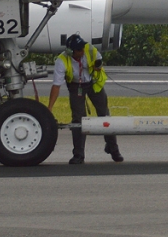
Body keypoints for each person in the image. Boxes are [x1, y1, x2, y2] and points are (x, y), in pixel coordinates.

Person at [47, 34, 123, 164]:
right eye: (79, 50)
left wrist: (97, 66)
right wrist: (49, 108)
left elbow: (99, 60)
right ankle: (78, 154)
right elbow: (56, 86)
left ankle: (113, 148)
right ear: (70, 51)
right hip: (76, 86)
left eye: (82, 48)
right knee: (78, 119)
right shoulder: (62, 61)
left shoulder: (90, 50)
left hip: (93, 83)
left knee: (104, 115)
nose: (82, 52)